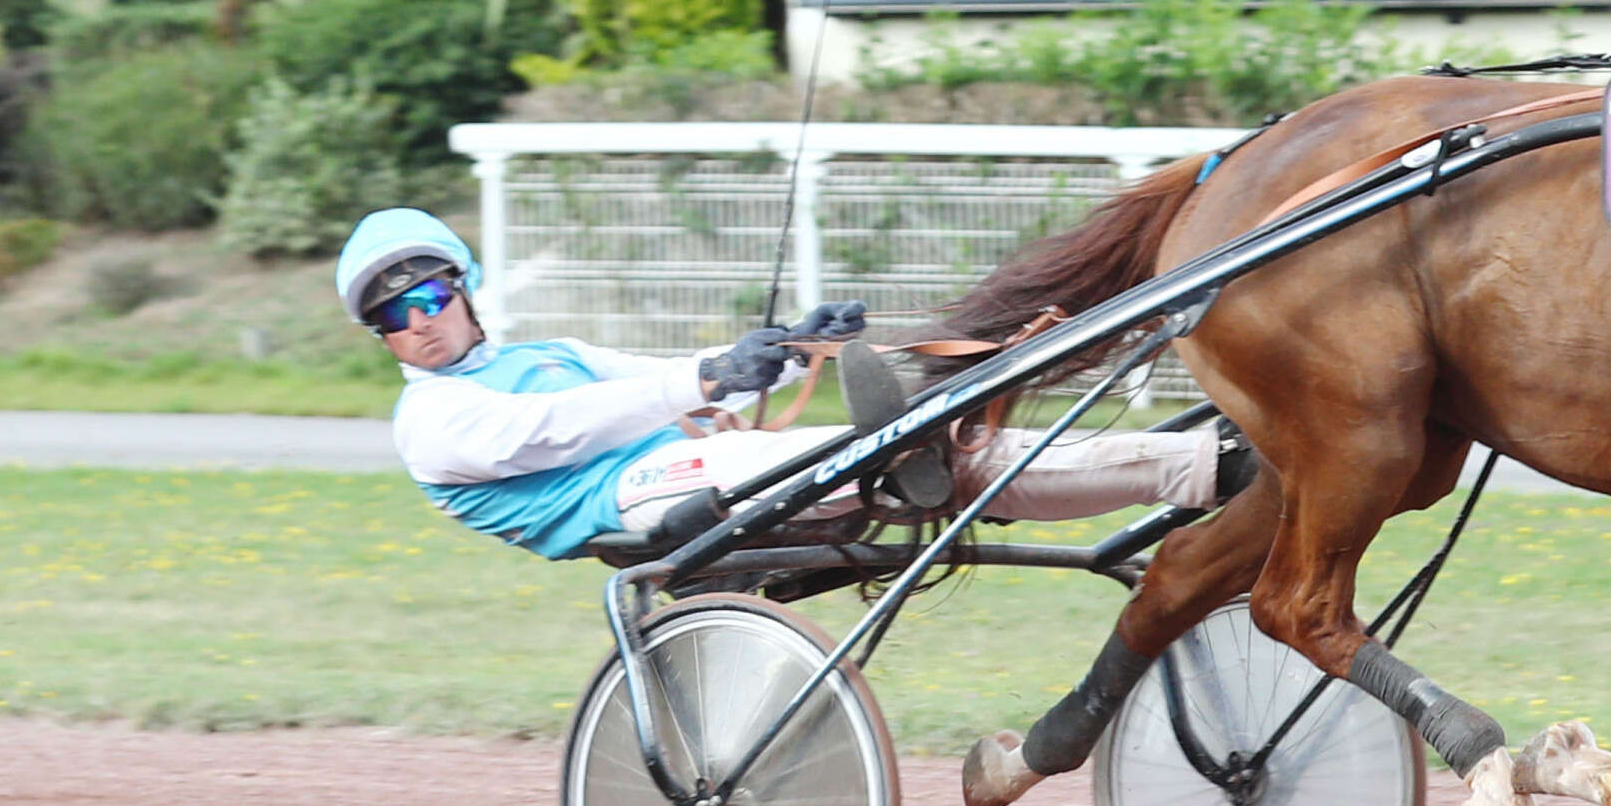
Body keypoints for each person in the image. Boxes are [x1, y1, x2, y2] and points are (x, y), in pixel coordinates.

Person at [336, 208, 1222, 558]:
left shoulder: (546, 351)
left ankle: (1193, 468)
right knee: (797, 456)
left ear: (461, 285)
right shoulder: (431, 421)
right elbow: (557, 433)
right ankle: (880, 465)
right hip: (628, 505)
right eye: (390, 316)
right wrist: (706, 376)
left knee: (964, 454)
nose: (415, 320)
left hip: (684, 473)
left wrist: (788, 351)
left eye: (426, 293)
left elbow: (662, 385)